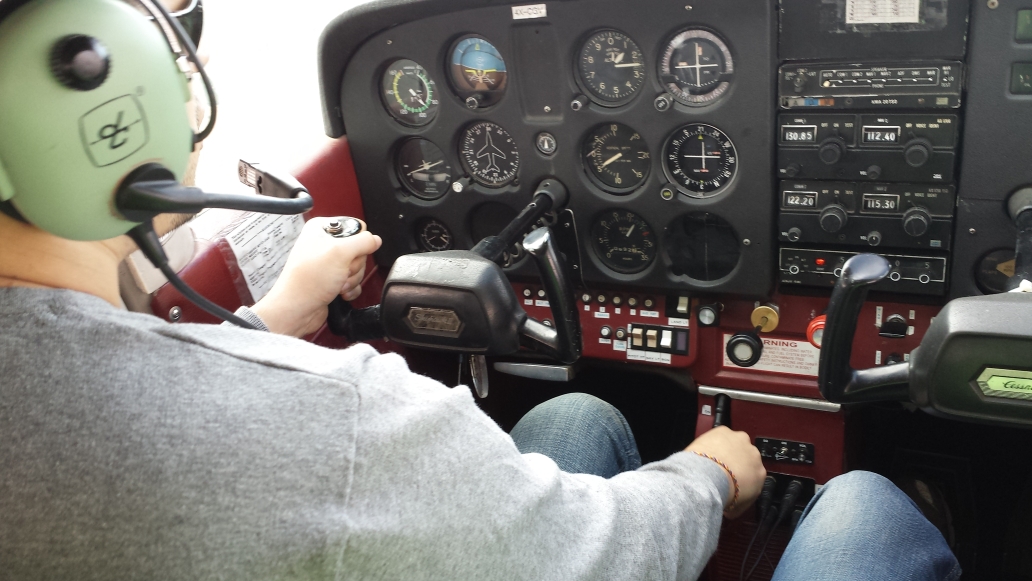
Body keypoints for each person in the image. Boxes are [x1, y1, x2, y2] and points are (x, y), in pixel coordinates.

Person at [0, 1, 959, 580]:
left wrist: (265, 322)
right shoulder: (337, 422)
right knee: (863, 505)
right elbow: (598, 558)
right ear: (97, 107)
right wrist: (711, 472)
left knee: (576, 415)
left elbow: (181, 425)